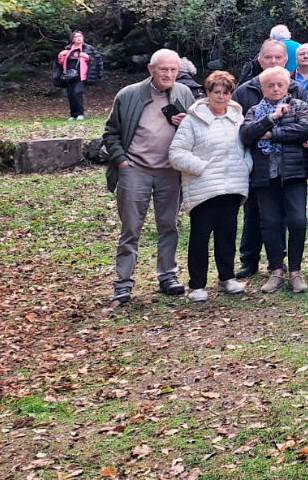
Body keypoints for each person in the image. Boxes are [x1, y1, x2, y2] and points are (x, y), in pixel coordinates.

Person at [103, 49, 194, 307]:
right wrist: (122, 161)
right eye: (163, 69)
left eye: (173, 70)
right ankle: (123, 283)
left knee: (169, 226)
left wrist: (184, 122)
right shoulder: (129, 94)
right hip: (136, 169)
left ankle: (167, 275)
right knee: (131, 228)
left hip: (170, 171)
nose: (168, 74)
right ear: (150, 69)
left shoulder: (183, 93)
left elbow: (195, 131)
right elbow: (110, 133)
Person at [168, 71, 250, 302]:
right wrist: (201, 167)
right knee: (200, 237)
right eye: (216, 92)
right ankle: (197, 284)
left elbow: (245, 147)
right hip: (203, 187)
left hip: (232, 185)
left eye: (225, 92)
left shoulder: (237, 117)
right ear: (207, 92)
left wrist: (246, 167)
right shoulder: (193, 120)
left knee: (227, 233)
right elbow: (176, 153)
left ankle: (227, 277)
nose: (221, 97)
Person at [238, 66, 308, 294]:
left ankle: (296, 272)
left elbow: (304, 129)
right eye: (270, 85)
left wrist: (271, 134)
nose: (275, 88)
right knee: (270, 224)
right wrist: (272, 118)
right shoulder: (254, 110)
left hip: (294, 174)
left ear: (287, 85)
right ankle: (276, 271)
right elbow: (246, 134)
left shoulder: (299, 106)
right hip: (264, 175)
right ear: (262, 88)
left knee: (298, 221)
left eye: (280, 84)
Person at [231, 39, 302, 281]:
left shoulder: (296, 90)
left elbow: (304, 127)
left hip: (290, 165)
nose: (273, 61)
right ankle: (249, 261)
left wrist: (271, 133)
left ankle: (285, 266)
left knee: (289, 216)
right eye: (268, 57)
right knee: (256, 215)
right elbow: (241, 130)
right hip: (257, 164)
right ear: (259, 60)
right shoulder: (245, 90)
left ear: (285, 60)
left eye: (278, 58)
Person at [56, 30, 100, 120]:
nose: (79, 38)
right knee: (70, 94)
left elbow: (97, 59)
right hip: (69, 75)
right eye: (76, 36)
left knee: (77, 93)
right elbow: (60, 63)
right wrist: (60, 56)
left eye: (80, 36)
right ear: (72, 39)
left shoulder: (88, 48)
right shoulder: (67, 49)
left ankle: (80, 113)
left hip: (81, 75)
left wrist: (87, 57)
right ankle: (73, 115)